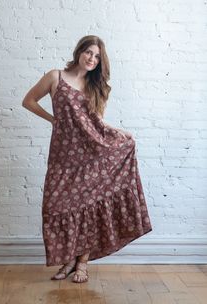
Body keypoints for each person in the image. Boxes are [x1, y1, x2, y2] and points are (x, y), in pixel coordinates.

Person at [22, 35, 152, 283]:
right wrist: (53, 120)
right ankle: (69, 259)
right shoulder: (55, 77)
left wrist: (120, 132)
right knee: (56, 206)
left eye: (97, 57)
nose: (92, 59)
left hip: (91, 154)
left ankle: (81, 263)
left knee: (89, 207)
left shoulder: (96, 87)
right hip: (62, 156)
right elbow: (28, 101)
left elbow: (96, 123)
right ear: (79, 51)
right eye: (89, 53)